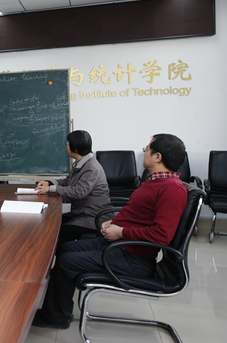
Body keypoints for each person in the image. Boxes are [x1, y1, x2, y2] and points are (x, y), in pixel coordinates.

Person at [32, 133, 188, 329]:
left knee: (65, 262)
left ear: (158, 157)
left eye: (147, 149)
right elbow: (139, 217)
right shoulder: (154, 182)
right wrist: (114, 223)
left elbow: (162, 235)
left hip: (133, 258)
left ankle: (55, 317)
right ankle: (59, 309)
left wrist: (121, 232)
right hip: (119, 245)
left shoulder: (172, 189)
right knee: (64, 248)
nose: (145, 153)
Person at [35, 130, 111, 245]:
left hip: (93, 217)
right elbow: (68, 181)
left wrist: (51, 189)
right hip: (81, 213)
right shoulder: (81, 163)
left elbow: (79, 192)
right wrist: (49, 183)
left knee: (56, 234)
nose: (66, 146)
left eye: (68, 144)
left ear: (75, 149)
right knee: (51, 221)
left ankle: (59, 255)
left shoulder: (92, 168)